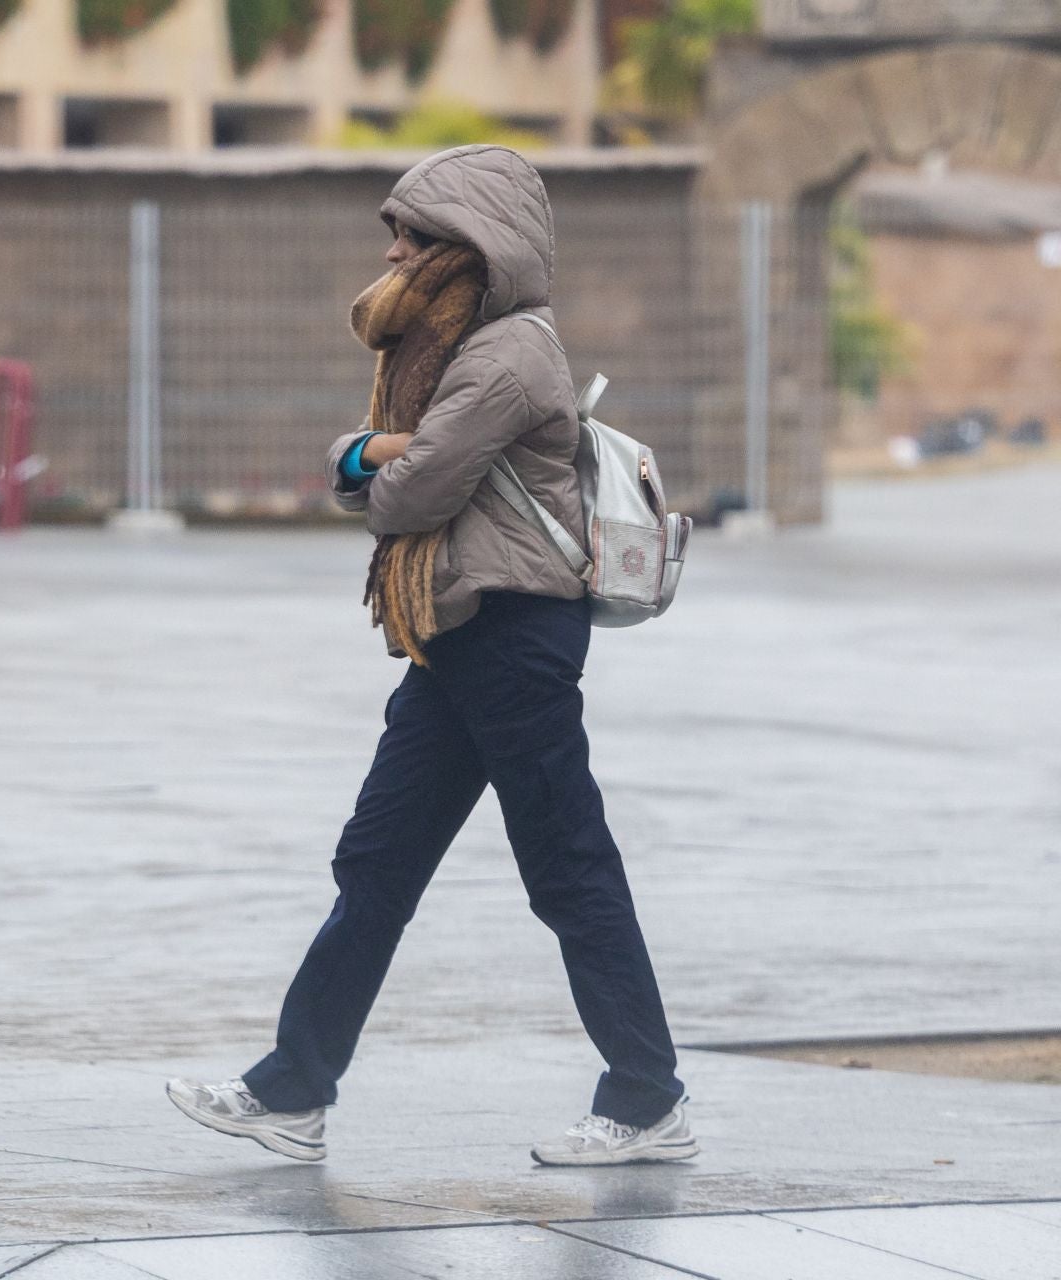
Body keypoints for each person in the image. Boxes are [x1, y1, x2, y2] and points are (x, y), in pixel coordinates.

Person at [166, 145, 697, 1168]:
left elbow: (406, 494)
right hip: (458, 632)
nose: (396, 249)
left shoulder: (506, 357)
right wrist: (374, 455)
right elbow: (387, 472)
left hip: (512, 635)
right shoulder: (460, 349)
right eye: (396, 230)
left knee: (567, 868)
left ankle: (646, 1097)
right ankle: (292, 1090)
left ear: (473, 245)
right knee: (378, 862)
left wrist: (366, 455)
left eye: (414, 233)